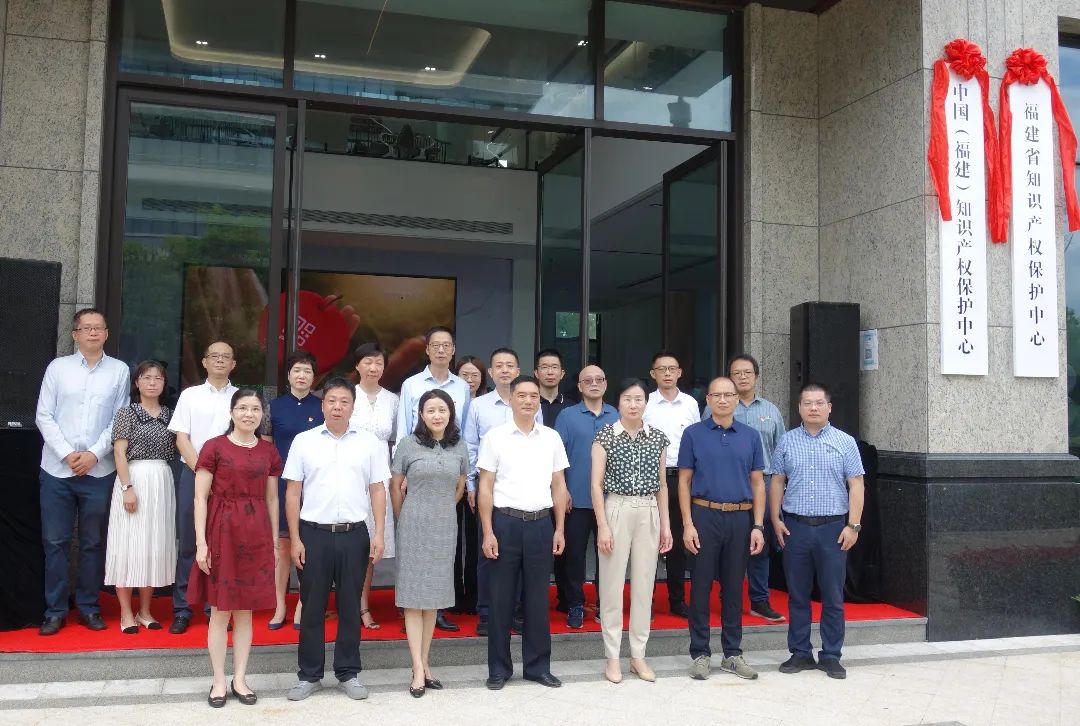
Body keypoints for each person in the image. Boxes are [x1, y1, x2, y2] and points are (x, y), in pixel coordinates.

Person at [283, 378, 388, 702]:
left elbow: (377, 490)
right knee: (312, 607)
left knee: (350, 605)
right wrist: (295, 539)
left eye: (344, 401)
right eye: (331, 401)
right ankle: (309, 675)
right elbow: (293, 492)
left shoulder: (369, 443)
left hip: (354, 534)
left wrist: (379, 533)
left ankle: (348, 672)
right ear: (322, 405)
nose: (337, 407)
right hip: (313, 534)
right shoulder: (304, 441)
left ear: (353, 406)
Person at [36, 308, 130, 635]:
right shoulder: (57, 368)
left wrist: (92, 454)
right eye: (86, 328)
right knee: (55, 542)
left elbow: (119, 418)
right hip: (56, 470)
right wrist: (67, 454)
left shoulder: (119, 370)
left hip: (99, 470)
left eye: (98, 328)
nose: (92, 333)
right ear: (75, 334)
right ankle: (55, 610)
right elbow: (43, 415)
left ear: (106, 334)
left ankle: (89, 607)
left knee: (93, 542)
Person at [187, 389, 282, 707]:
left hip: (256, 533)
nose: (249, 414)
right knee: (220, 611)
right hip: (222, 530)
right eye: (242, 408)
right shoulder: (214, 447)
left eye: (255, 409)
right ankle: (218, 680)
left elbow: (272, 498)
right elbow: (200, 497)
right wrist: (201, 543)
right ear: (231, 412)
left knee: (245, 612)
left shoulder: (268, 451)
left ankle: (239, 678)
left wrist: (273, 542)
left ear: (262, 415)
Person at [477, 375, 569, 691]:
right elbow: (485, 487)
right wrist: (488, 532)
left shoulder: (551, 438)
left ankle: (537, 667)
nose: (528, 401)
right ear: (512, 399)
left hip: (541, 524)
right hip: (505, 523)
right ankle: (499, 669)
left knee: (538, 600)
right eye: (522, 395)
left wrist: (559, 528)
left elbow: (559, 485)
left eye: (533, 396)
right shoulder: (496, 437)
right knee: (500, 600)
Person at [770, 383, 865, 680]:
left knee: (833, 596)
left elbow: (856, 484)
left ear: (829, 407)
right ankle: (800, 652)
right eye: (807, 403)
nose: (813, 408)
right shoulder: (787, 441)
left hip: (833, 529)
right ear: (799, 407)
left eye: (819, 403)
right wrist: (775, 518)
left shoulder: (845, 442)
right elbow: (777, 480)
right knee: (797, 595)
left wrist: (853, 525)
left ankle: (831, 655)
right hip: (795, 527)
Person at [680, 376, 766, 682]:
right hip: (704, 515)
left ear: (736, 399)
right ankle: (700, 653)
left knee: (733, 588)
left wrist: (758, 525)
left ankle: (732, 653)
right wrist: (687, 523)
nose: (722, 400)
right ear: (708, 400)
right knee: (700, 587)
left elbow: (758, 483)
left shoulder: (751, 436)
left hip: (740, 518)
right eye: (716, 395)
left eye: (728, 395)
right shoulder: (693, 434)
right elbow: (684, 481)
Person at [592, 378, 672, 684]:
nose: (633, 404)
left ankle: (638, 655)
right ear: (619, 403)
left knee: (644, 585)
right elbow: (596, 486)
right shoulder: (605, 436)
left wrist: (665, 524)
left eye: (639, 399)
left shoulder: (658, 438)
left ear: (646, 403)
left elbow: (662, 485)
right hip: (617, 508)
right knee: (611, 586)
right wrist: (602, 526)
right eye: (627, 399)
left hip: (648, 509)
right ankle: (612, 656)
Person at [390, 390, 468, 697]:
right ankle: (417, 668)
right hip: (413, 525)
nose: (437, 415)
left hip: (444, 527)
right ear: (421, 414)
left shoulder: (459, 445)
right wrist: (404, 516)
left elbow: (460, 487)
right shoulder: (408, 444)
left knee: (433, 597)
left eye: (442, 410)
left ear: (450, 413)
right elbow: (396, 485)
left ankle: (424, 662)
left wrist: (443, 508)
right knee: (413, 598)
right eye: (431, 410)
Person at [395, 326, 470, 632]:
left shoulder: (462, 387)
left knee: (442, 548)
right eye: (435, 345)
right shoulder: (411, 384)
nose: (441, 350)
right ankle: (412, 609)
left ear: (453, 350)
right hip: (417, 467)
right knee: (415, 550)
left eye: (446, 345)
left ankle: (436, 609)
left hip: (447, 469)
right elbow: (404, 427)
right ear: (427, 350)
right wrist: (404, 472)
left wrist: (459, 478)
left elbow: (461, 431)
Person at [464, 348, 540, 635]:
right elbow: (470, 446)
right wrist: (471, 485)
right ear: (491, 373)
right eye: (499, 366)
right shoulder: (479, 406)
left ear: (518, 370)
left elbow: (540, 445)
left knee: (520, 555)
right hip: (489, 489)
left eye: (510, 365)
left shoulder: (531, 402)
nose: (505, 370)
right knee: (489, 551)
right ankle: (486, 612)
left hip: (523, 490)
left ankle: (516, 611)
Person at [167, 341, 239, 634]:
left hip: (230, 480)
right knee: (189, 541)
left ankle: (215, 608)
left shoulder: (241, 397)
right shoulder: (190, 395)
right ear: (204, 362)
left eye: (226, 357)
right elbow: (181, 438)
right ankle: (182, 609)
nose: (220, 361)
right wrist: (203, 472)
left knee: (222, 545)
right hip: (193, 473)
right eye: (215, 356)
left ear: (233, 364)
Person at [104, 360, 177, 634]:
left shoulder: (171, 415)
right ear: (137, 383)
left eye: (158, 378)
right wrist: (127, 488)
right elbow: (119, 452)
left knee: (153, 545)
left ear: (164, 383)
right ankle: (126, 612)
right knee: (127, 544)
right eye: (146, 378)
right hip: (133, 478)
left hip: (161, 480)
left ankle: (145, 610)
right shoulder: (127, 413)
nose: (152, 383)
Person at [552, 365, 618, 627]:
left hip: (611, 500)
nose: (594, 383)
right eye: (587, 380)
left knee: (608, 555)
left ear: (606, 384)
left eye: (599, 379)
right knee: (574, 557)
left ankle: (605, 604)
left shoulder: (617, 415)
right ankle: (575, 605)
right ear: (579, 386)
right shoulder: (567, 416)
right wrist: (562, 490)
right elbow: (557, 458)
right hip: (575, 499)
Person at [265, 350, 324, 630]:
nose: (302, 376)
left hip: (313, 484)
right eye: (297, 370)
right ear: (288, 375)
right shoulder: (273, 407)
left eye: (307, 371)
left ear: (314, 377)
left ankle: (303, 602)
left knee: (307, 543)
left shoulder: (322, 407)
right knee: (282, 545)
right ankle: (279, 605)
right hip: (281, 483)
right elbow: (266, 447)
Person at [727, 354, 787, 622]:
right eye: (736, 373)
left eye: (747, 372)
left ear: (756, 376)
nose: (742, 377)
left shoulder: (771, 411)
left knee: (760, 544)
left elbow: (781, 452)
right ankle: (728, 599)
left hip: (764, 484)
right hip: (729, 485)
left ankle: (759, 600)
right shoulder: (721, 406)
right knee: (730, 545)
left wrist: (780, 489)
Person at [642, 351, 701, 618]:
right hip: (651, 477)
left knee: (677, 541)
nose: (667, 373)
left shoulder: (690, 403)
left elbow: (697, 440)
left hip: (683, 477)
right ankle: (647, 601)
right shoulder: (645, 403)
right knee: (648, 540)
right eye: (661, 369)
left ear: (679, 372)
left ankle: (677, 600)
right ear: (653, 373)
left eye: (672, 368)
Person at [350, 342, 399, 631]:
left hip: (380, 476)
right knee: (348, 541)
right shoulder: (347, 395)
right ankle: (346, 603)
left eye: (378, 362)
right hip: (350, 474)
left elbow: (398, 440)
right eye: (367, 361)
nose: (373, 367)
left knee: (370, 544)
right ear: (357, 365)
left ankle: (363, 605)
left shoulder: (393, 400)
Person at [450, 355, 488, 614]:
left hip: (476, 477)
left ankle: (474, 594)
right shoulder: (449, 402)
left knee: (476, 537)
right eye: (465, 374)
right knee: (452, 537)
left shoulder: (486, 404)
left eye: (475, 375)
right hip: (452, 476)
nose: (470, 379)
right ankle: (452, 594)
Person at [534, 348, 569, 427]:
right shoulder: (529, 404)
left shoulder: (571, 407)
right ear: (536, 373)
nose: (550, 372)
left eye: (555, 367)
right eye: (544, 367)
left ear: (562, 374)